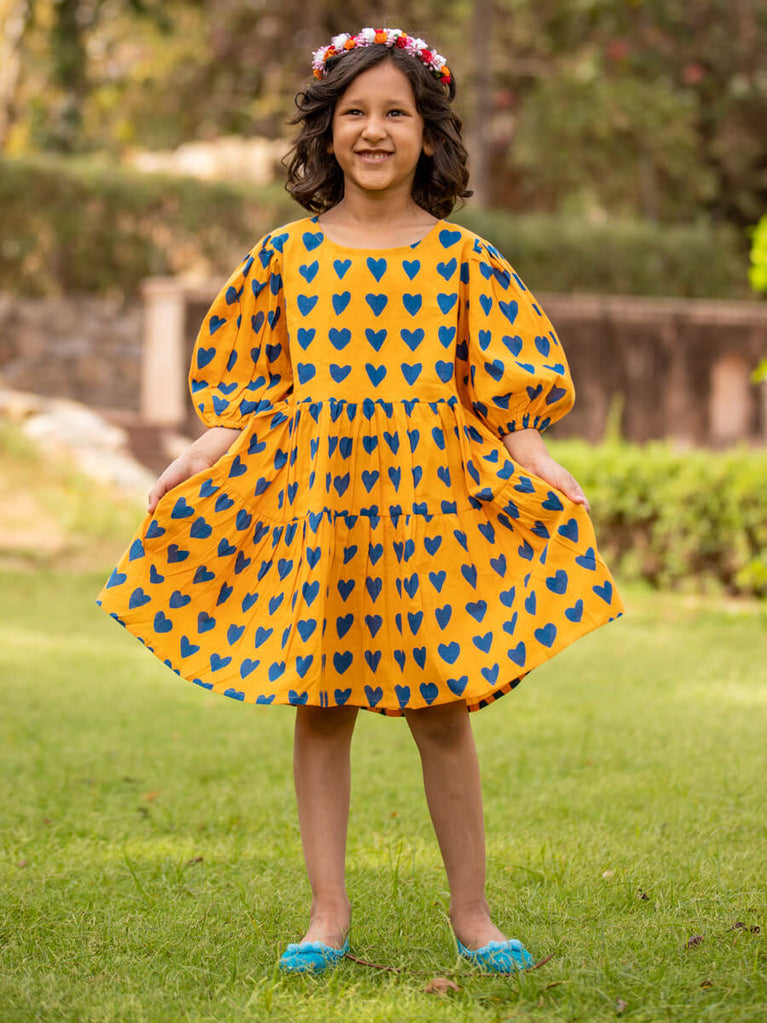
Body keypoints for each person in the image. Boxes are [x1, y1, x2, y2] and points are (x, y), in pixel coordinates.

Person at [97, 26, 623, 975]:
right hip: (323, 509)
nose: (374, 130)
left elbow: (502, 384)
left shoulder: (463, 260)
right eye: (354, 113)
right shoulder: (285, 258)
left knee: (443, 707)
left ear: (428, 133)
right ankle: (325, 914)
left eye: (395, 113)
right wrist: (206, 446)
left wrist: (534, 453)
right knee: (322, 705)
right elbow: (249, 385)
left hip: (428, 510)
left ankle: (473, 914)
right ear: (326, 130)